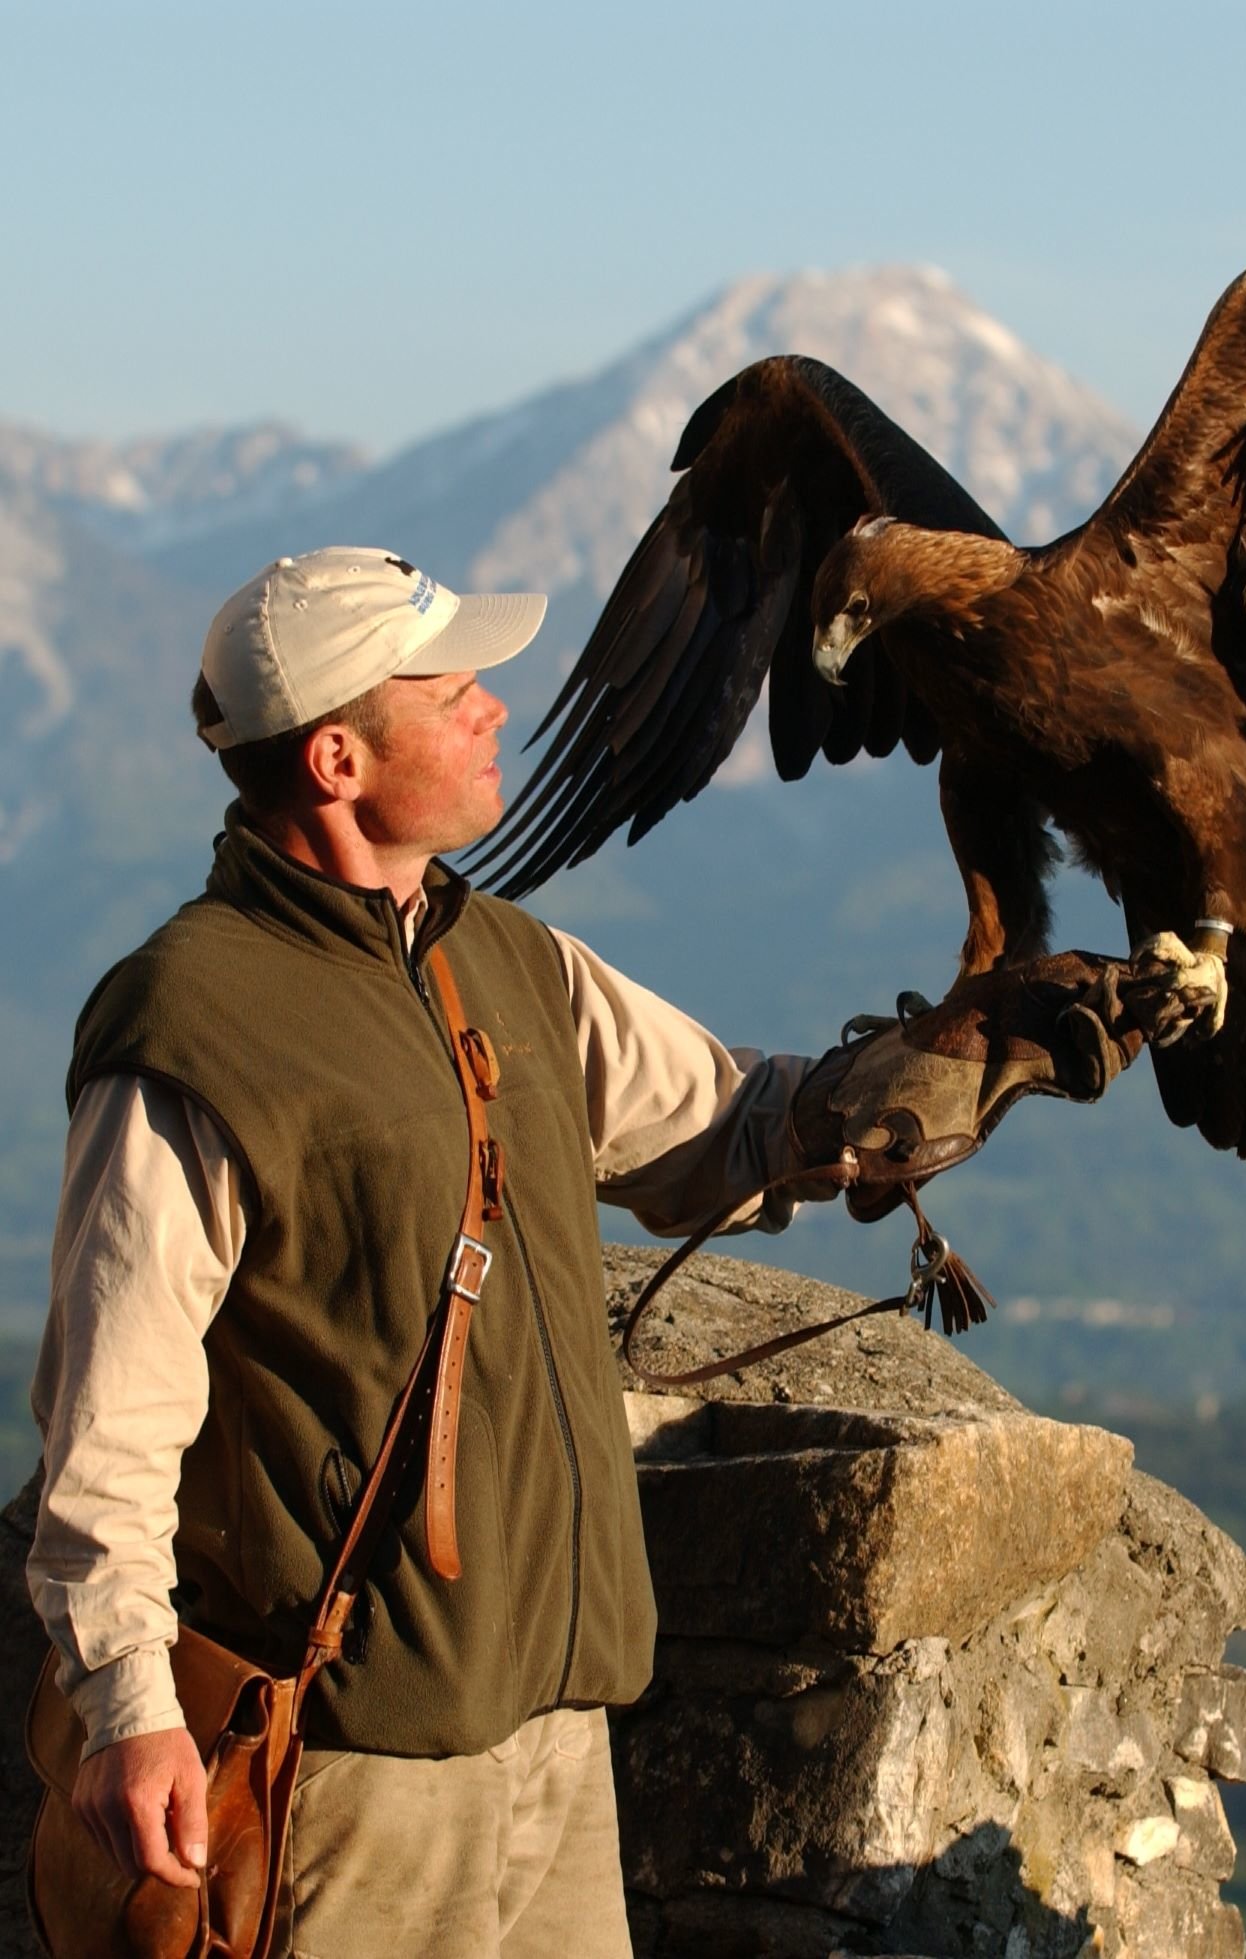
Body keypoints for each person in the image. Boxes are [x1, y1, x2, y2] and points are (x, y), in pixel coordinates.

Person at [26, 546, 1140, 1954]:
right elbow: (106, 1421)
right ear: (336, 758)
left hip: (554, 1725)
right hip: (360, 1759)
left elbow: (737, 1124)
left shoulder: (508, 961)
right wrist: (131, 1709)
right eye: (454, 690)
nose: (497, 709)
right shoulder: (191, 1030)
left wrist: (950, 1063)